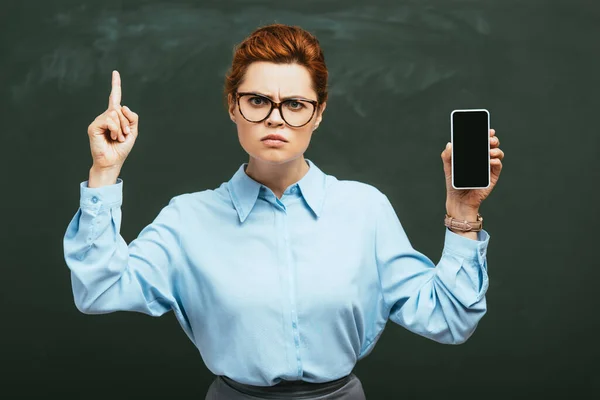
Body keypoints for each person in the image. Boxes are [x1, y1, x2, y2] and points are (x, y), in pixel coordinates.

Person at [63, 23, 504, 399]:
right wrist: (104, 171)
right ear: (233, 106)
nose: (276, 119)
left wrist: (462, 210)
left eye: (295, 104)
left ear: (319, 114)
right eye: (258, 101)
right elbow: (98, 291)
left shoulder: (365, 209)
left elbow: (450, 319)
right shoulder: (187, 219)